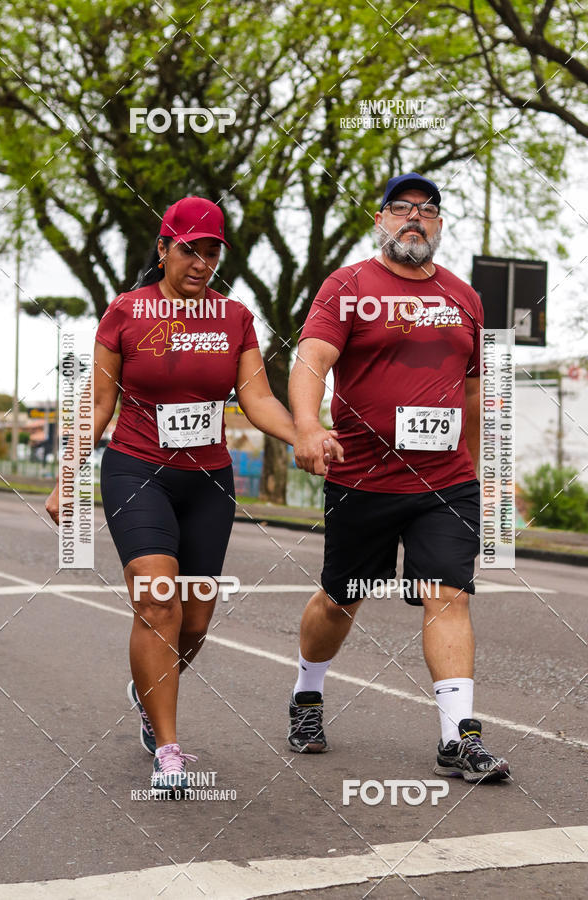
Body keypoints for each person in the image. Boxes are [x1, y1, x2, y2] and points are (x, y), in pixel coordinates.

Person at [45, 195, 341, 794]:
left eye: (211, 252)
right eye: (189, 250)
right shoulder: (125, 313)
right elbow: (97, 404)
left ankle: (147, 689)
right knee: (159, 602)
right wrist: (67, 476)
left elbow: (257, 400)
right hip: (138, 471)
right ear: (163, 249)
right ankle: (169, 748)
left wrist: (306, 434)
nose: (201, 263)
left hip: (208, 481)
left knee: (196, 622)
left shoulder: (235, 318)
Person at [288, 172, 510, 783]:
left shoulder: (465, 297)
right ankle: (307, 693)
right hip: (363, 478)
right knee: (341, 598)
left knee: (448, 594)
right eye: (401, 207)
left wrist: (485, 471)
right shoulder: (348, 285)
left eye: (427, 209)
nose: (415, 217)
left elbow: (474, 391)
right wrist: (306, 425)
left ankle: (458, 737)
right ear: (380, 219)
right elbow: (312, 358)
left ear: (439, 225)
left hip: (446, 482)